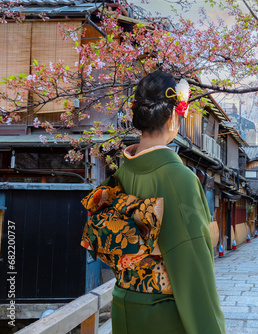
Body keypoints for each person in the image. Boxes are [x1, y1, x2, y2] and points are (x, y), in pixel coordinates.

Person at [81, 71, 226, 333]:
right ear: (173, 118)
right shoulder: (178, 179)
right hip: (164, 318)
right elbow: (194, 274)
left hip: (125, 311)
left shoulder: (121, 174)